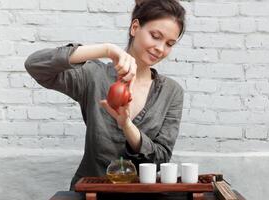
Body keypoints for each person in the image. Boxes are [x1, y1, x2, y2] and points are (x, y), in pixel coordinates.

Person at [25, 0, 186, 199]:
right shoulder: (95, 76)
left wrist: (127, 125)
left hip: (143, 195)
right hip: (91, 192)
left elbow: (160, 158)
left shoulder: (171, 92)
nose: (160, 48)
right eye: (155, 36)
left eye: (169, 44)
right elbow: (35, 65)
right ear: (135, 27)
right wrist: (106, 50)